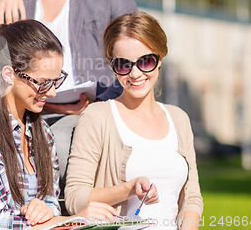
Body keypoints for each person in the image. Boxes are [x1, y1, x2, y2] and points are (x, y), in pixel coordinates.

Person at [13, 0, 138, 182]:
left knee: (62, 140)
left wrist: (99, 107)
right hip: (31, 115)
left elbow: (137, 56)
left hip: (94, 113)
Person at [0, 20, 117, 229]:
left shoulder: (42, 132)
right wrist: (71, 220)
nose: (52, 93)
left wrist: (47, 212)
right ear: (9, 74)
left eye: (56, 81)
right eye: (43, 83)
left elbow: (51, 204)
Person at [65, 12, 203, 230]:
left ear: (160, 59)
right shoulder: (97, 117)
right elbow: (74, 198)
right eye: (123, 64)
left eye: (146, 61)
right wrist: (128, 189)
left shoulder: (179, 118)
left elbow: (192, 198)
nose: (135, 73)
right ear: (111, 64)